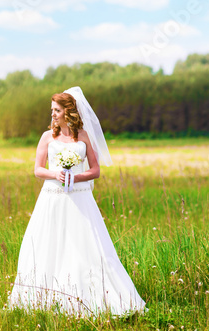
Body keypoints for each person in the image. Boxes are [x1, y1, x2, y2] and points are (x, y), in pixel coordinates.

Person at [8, 87, 146, 317]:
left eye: (56, 110)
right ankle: (44, 297)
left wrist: (77, 176)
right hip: (52, 199)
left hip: (80, 198)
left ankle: (92, 296)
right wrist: (56, 174)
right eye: (52, 110)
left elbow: (96, 170)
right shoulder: (47, 137)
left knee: (85, 245)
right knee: (48, 244)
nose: (52, 114)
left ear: (68, 112)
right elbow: (37, 170)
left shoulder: (83, 136)